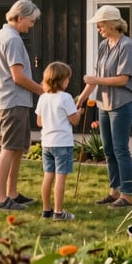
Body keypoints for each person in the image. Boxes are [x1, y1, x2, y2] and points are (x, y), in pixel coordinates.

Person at [77, 5, 132, 208]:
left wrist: (96, 79)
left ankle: (127, 196)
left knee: (121, 149)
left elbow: (122, 79)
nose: (98, 28)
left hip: (122, 104)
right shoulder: (104, 45)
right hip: (104, 103)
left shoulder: (127, 46)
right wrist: (83, 97)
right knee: (108, 150)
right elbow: (96, 79)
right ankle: (114, 193)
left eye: (100, 24)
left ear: (112, 23)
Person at [0, 0, 45, 211]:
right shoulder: (12, 39)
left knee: (17, 149)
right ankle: (0, 198)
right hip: (12, 100)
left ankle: (11, 193)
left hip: (13, 100)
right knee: (9, 148)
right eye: (30, 21)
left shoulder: (4, 35)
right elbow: (18, 77)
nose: (31, 25)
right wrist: (43, 91)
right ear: (20, 17)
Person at [35, 61, 82, 221]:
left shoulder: (43, 98)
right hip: (62, 143)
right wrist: (79, 112)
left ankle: (46, 210)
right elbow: (74, 120)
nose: (68, 82)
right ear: (61, 80)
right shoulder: (66, 97)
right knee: (60, 177)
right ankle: (59, 212)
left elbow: (39, 122)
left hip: (46, 143)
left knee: (48, 175)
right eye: (67, 79)